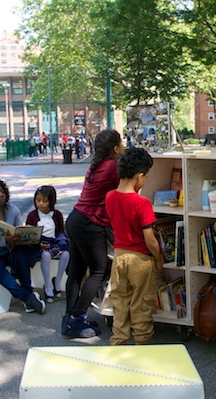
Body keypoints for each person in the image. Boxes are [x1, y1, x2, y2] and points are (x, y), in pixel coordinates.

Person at [63, 129, 123, 338]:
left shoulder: (95, 165)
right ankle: (77, 318)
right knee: (98, 270)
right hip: (90, 224)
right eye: (121, 144)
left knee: (77, 272)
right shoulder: (113, 166)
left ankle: (69, 318)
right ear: (115, 148)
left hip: (75, 219)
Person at [106, 147, 163, 345]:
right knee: (141, 304)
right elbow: (150, 239)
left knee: (120, 303)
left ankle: (119, 343)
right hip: (140, 260)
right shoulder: (142, 203)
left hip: (119, 258)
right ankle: (141, 344)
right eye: (146, 177)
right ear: (139, 176)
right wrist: (158, 259)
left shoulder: (110, 197)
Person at [0, 177, 46, 315]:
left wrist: (24, 236)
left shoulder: (12, 210)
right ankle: (27, 297)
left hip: (12, 249)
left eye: (2, 191)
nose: (1, 194)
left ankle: (28, 296)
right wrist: (4, 240)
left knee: (21, 256)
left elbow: (19, 229)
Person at [25, 186, 70, 303]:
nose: (41, 204)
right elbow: (29, 233)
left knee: (66, 254)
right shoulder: (32, 215)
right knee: (46, 256)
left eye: (44, 201)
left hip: (54, 242)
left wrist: (61, 243)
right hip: (40, 244)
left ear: (51, 201)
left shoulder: (57, 214)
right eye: (38, 200)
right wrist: (39, 244)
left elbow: (60, 232)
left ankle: (58, 282)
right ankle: (48, 285)